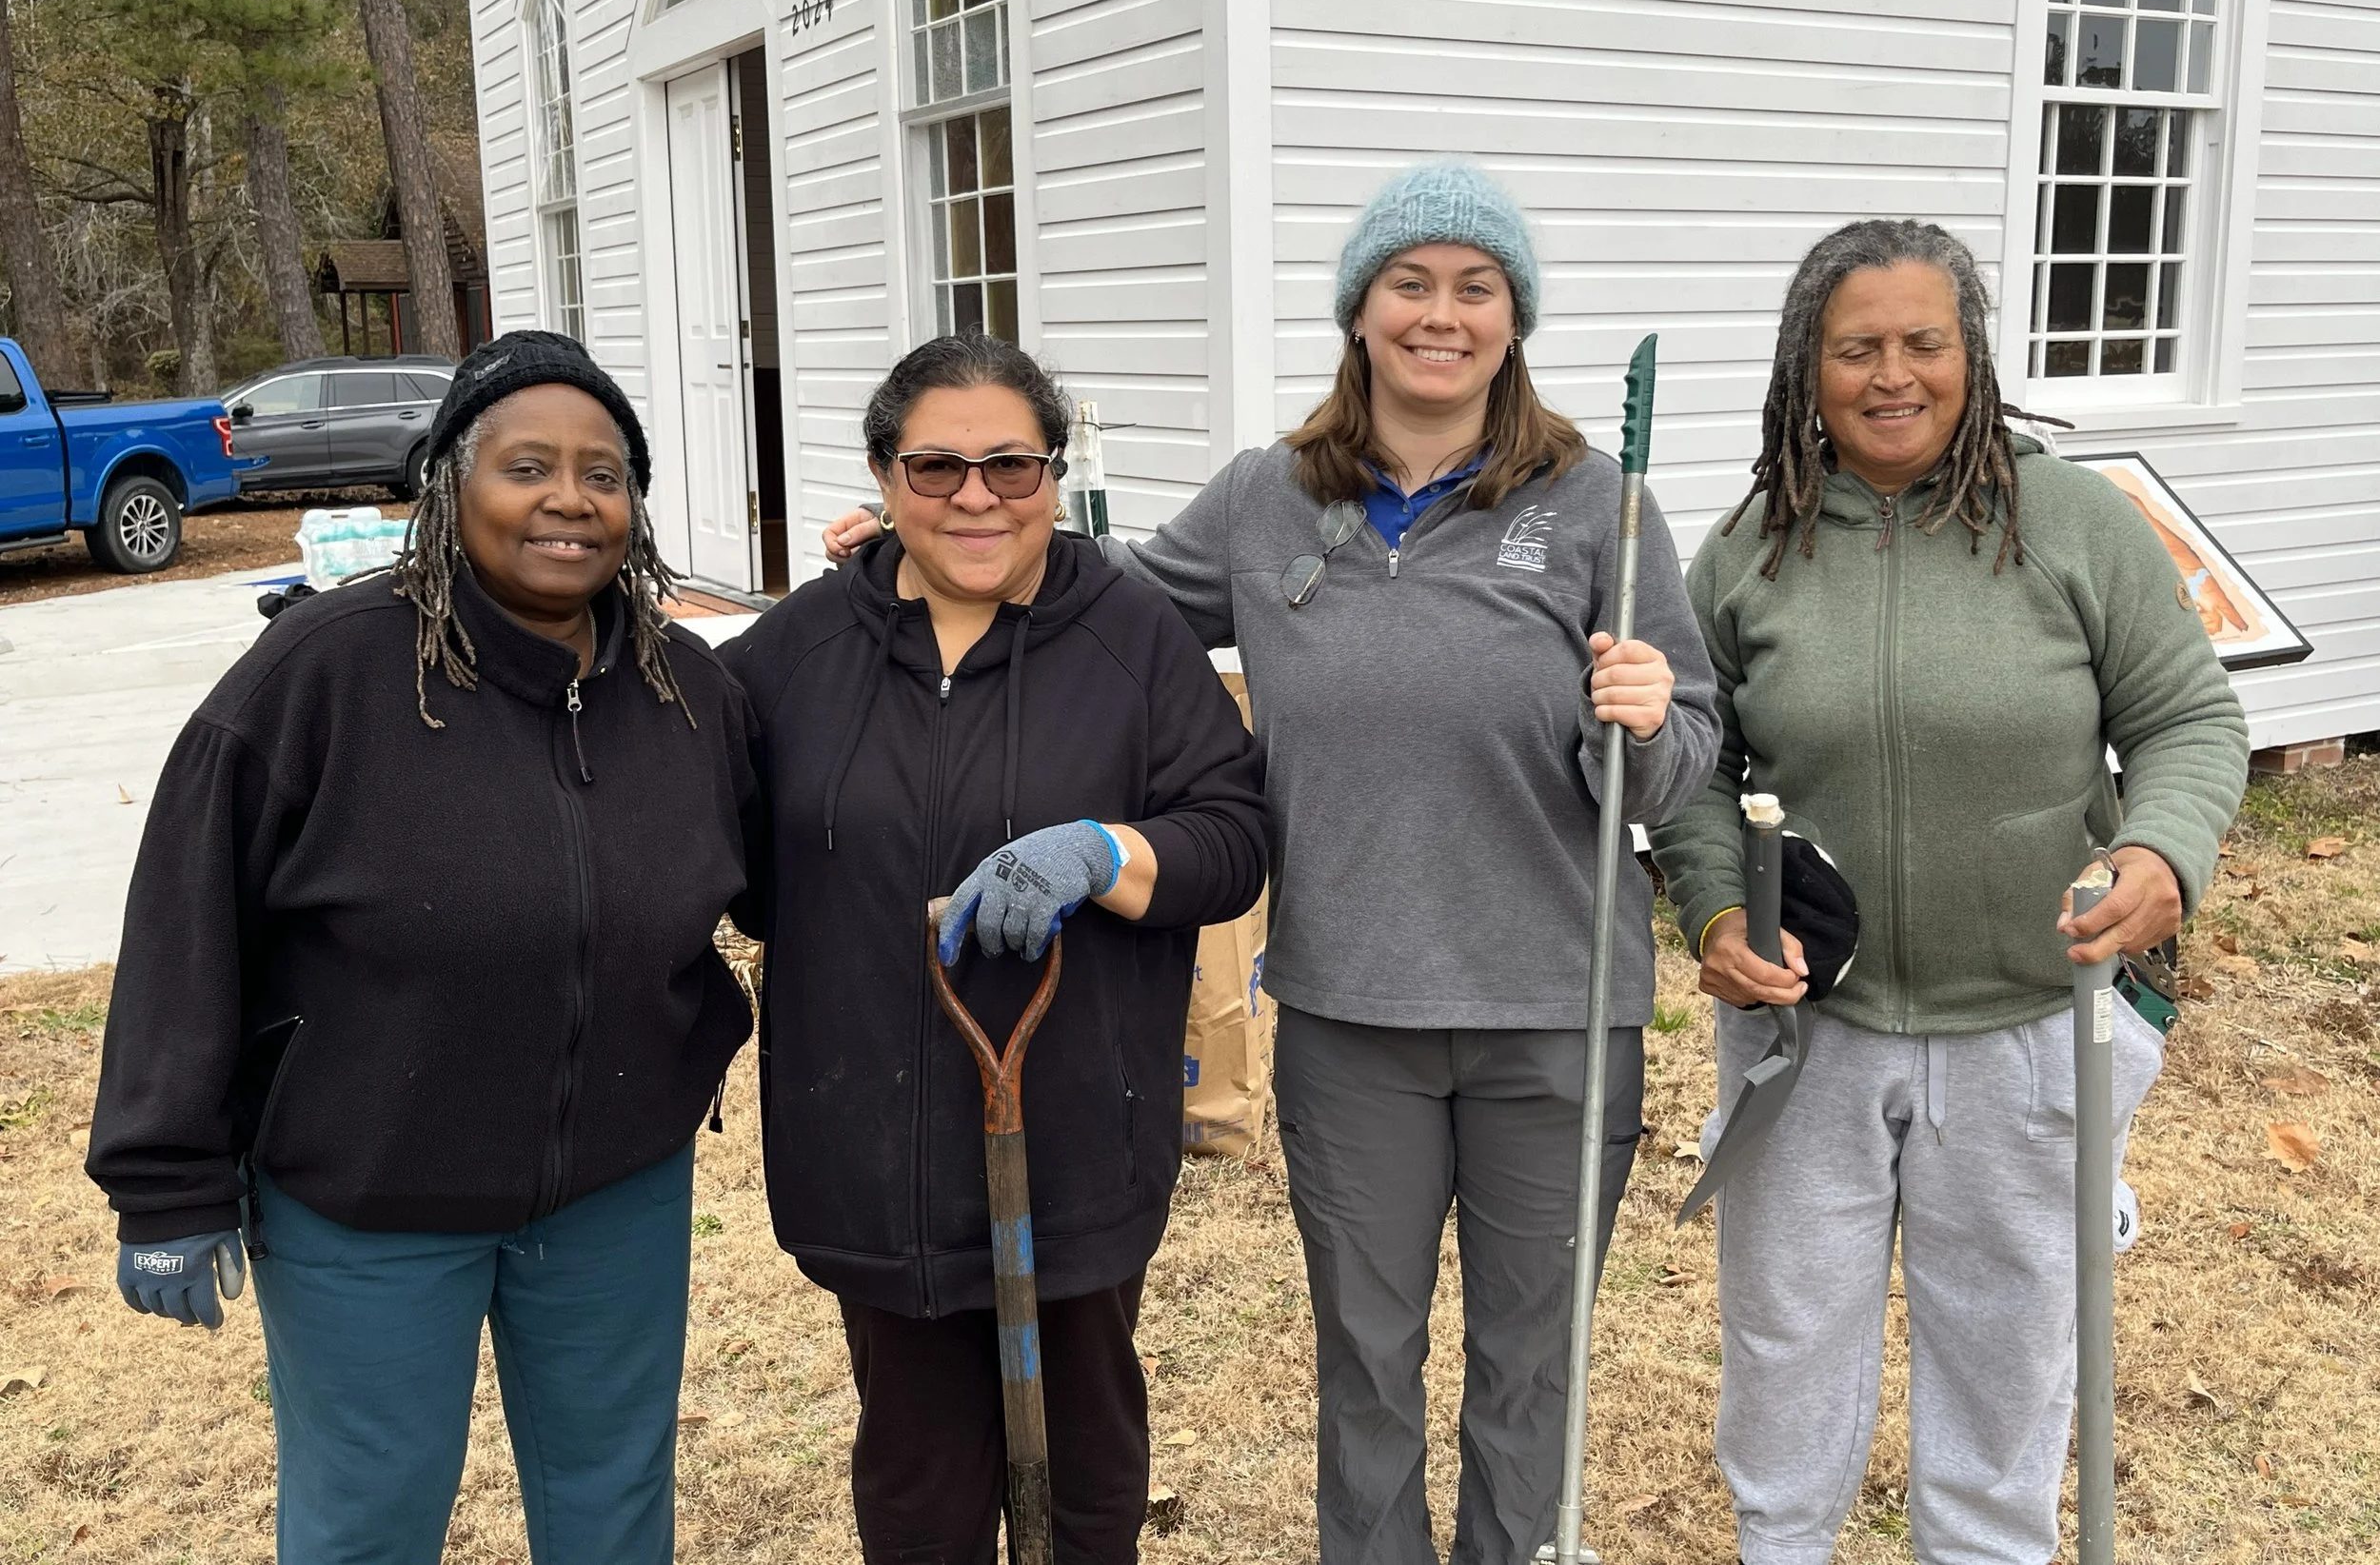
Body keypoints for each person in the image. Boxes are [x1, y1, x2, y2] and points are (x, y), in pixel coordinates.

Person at [822, 165, 1723, 1564]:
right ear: (1359, 311)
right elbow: (1086, 592)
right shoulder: (1266, 502)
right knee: (1366, 1361)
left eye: (1474, 287)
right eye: (1409, 284)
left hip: (1556, 1013)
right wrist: (932, 533)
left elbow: (1680, 762)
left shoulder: (1600, 507)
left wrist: (1649, 721)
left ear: (1514, 317)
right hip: (1352, 1015)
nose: (1441, 314)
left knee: (1530, 1367)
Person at [87, 331, 767, 1565]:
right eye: (528, 465)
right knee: (369, 1521)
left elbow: (778, 876)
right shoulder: (321, 676)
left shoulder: (684, 693)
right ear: (449, 484)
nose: (570, 496)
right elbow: (186, 919)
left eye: (604, 472)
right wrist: (164, 1183)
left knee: (615, 1503)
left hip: (616, 1180)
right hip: (371, 1196)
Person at [1649, 220, 2251, 1565]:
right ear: (1809, 367)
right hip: (1810, 1040)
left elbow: (2189, 722)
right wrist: (1716, 911)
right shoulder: (1750, 548)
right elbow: (1693, 764)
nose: (1892, 374)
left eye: (1924, 341)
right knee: (1786, 1349)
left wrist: (2160, 851)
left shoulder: (2079, 525)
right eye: (1855, 347)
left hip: (2032, 1023)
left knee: (2007, 1357)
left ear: (1971, 352)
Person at [721, 334, 1267, 1564]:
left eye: (1011, 465)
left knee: (1086, 1482)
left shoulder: (1127, 631)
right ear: (884, 474)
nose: (977, 496)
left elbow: (1230, 839)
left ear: (1054, 476)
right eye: (938, 467)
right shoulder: (797, 654)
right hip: (875, 1151)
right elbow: (716, 839)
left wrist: (1100, 850)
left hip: (1075, 1138)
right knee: (918, 1495)